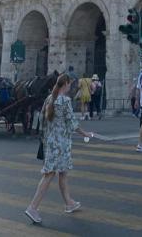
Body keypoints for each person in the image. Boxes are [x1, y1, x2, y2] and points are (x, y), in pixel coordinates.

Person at [24, 73, 93, 225]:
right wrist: (86, 134)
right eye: (70, 84)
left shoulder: (50, 98)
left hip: (51, 141)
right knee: (49, 175)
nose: (71, 87)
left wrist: (46, 136)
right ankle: (33, 207)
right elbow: (73, 123)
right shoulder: (65, 100)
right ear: (66, 84)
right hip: (60, 143)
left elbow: (42, 119)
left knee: (62, 173)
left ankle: (69, 203)